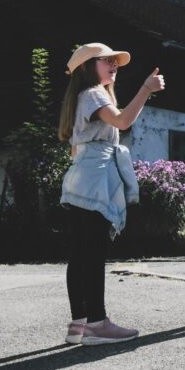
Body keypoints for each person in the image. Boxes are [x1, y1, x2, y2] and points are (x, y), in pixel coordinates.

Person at [58, 43, 164, 346]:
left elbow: (75, 148)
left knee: (80, 253)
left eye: (114, 61)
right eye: (106, 61)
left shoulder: (82, 97)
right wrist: (146, 88)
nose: (113, 64)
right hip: (94, 179)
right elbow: (122, 120)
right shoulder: (93, 93)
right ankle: (97, 323)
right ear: (87, 68)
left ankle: (79, 324)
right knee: (92, 253)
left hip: (81, 176)